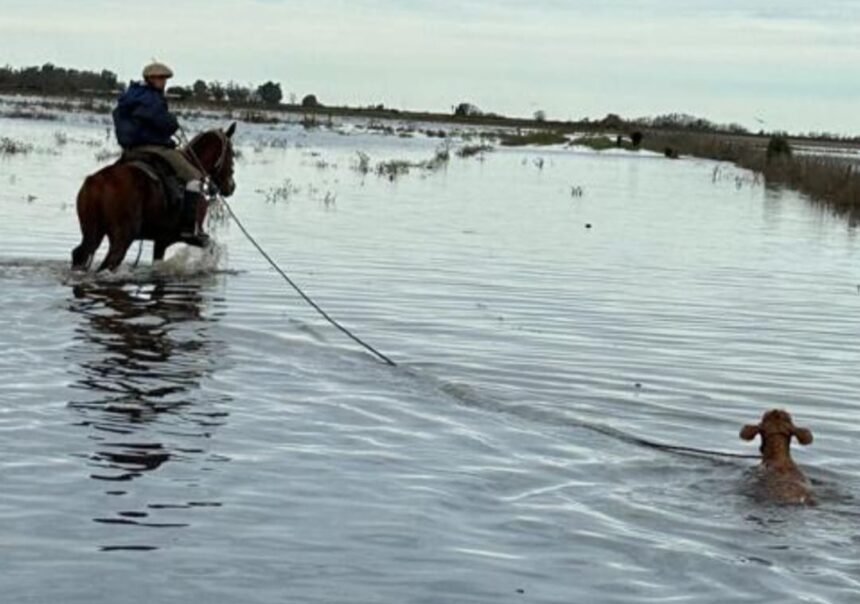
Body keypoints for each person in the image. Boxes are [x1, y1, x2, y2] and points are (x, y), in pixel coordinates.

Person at [112, 61, 210, 245]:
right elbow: (158, 120)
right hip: (153, 147)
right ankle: (189, 229)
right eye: (159, 78)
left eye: (164, 79)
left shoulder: (129, 95)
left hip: (131, 149)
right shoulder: (151, 98)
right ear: (150, 79)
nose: (163, 82)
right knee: (195, 178)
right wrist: (172, 122)